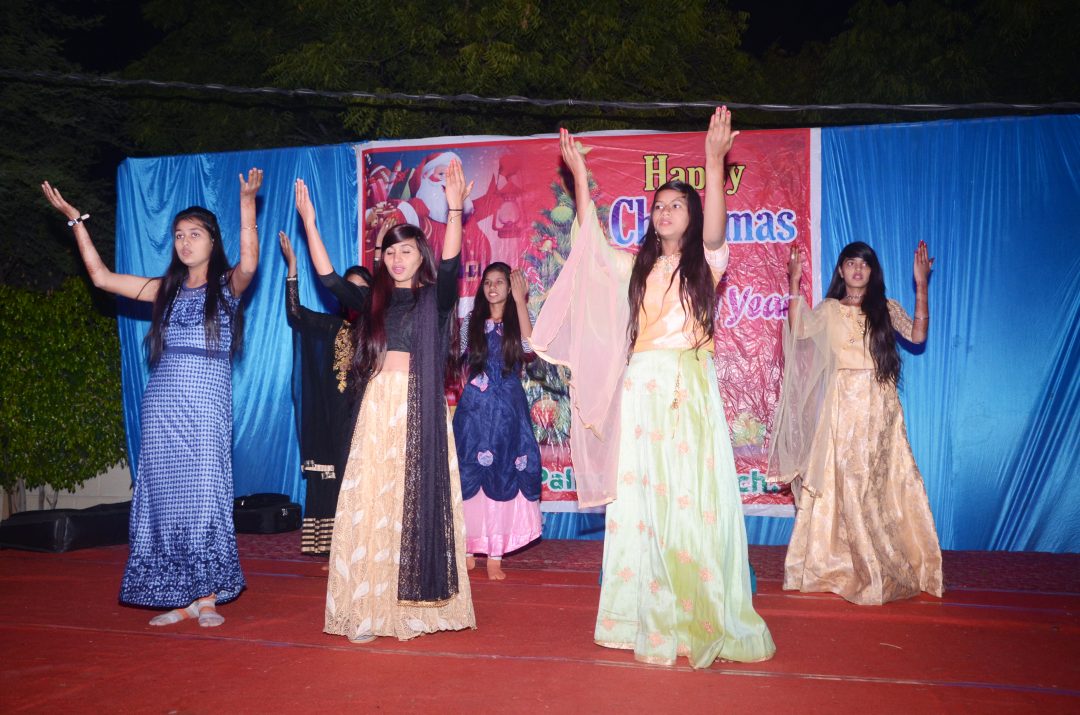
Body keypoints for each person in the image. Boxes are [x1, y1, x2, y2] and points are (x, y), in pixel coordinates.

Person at [532, 109, 775, 668]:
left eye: (676, 205)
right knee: (640, 502)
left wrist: (713, 160)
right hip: (640, 392)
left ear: (691, 216)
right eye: (658, 205)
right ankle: (640, 616)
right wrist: (578, 177)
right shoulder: (634, 269)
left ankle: (695, 614)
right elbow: (591, 247)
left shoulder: (707, 263)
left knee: (687, 499)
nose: (664, 211)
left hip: (685, 391)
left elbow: (716, 230)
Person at [40, 169, 263, 627]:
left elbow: (250, 264)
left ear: (211, 240)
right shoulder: (165, 289)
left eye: (194, 234)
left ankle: (207, 597)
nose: (185, 242)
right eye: (179, 235)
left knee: (204, 497)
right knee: (165, 498)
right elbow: (102, 278)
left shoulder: (226, 287)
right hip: (163, 405)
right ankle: (180, 597)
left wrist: (247, 204)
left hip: (205, 407)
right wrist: (75, 221)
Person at [292, 165, 476, 643]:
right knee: (373, 501)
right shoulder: (373, 298)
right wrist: (310, 224)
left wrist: (455, 209)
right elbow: (330, 279)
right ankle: (368, 607)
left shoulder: (436, 298)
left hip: (421, 409)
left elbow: (452, 264)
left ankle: (415, 609)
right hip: (379, 407)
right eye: (390, 251)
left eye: (406, 250)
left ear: (421, 255)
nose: (397, 258)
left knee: (413, 503)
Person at [770, 241, 944, 605]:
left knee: (873, 485)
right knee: (845, 480)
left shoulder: (885, 308)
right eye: (851, 263)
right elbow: (798, 330)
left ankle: (882, 563)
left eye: (864, 264)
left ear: (872, 271)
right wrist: (794, 283)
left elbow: (917, 335)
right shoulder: (829, 309)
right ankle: (845, 564)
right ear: (841, 270)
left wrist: (921, 285)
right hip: (841, 409)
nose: (857, 269)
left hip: (879, 408)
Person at [280, 231, 372, 555]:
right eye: (349, 288)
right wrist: (293, 268)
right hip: (333, 414)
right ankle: (334, 549)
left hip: (366, 415)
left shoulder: (379, 332)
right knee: (331, 474)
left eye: (362, 290)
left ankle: (364, 546)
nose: (354, 295)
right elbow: (295, 314)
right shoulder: (333, 326)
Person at [453, 262, 542, 581]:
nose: (492, 287)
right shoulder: (471, 323)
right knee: (468, 474)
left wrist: (520, 301)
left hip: (507, 412)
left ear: (511, 286)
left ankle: (495, 554)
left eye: (500, 282)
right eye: (488, 282)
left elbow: (531, 348)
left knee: (503, 471)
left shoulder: (519, 321)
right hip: (474, 412)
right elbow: (458, 358)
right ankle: (466, 549)